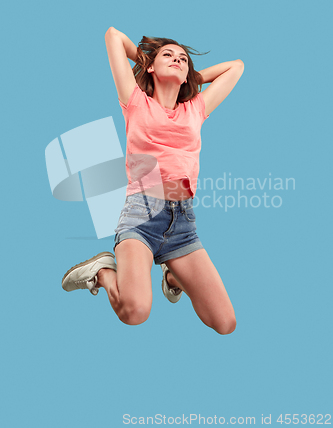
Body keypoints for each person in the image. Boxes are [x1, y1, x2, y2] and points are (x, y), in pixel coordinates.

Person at [62, 27, 244, 334]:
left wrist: (192, 77)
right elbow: (113, 36)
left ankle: (173, 276)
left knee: (225, 323)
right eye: (168, 56)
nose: (176, 59)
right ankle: (104, 271)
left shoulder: (195, 109)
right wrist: (145, 59)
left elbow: (235, 67)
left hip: (183, 224)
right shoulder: (134, 101)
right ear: (150, 67)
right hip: (141, 217)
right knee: (135, 312)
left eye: (183, 59)